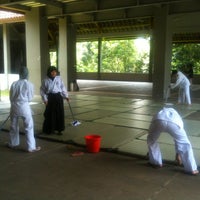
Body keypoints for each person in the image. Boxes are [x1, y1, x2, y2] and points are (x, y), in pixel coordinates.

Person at [147, 106, 199, 175]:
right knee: (184, 143)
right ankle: (192, 169)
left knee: (151, 140)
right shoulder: (177, 116)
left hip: (158, 120)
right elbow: (178, 140)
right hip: (174, 123)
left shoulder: (161, 111)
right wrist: (178, 154)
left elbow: (151, 131)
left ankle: (156, 162)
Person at [8, 67, 41, 153]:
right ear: (27, 74)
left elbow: (11, 97)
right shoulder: (29, 84)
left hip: (14, 106)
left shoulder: (14, 84)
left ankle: (13, 143)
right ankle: (31, 147)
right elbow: (30, 98)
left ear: (20, 74)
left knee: (13, 126)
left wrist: (14, 104)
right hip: (24, 107)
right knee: (29, 126)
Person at [40, 66, 69, 135]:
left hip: (58, 97)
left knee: (59, 113)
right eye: (52, 71)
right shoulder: (45, 80)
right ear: (49, 72)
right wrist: (45, 99)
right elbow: (42, 91)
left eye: (55, 71)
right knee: (49, 114)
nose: (53, 73)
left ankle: (59, 129)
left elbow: (62, 87)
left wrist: (66, 96)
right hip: (50, 98)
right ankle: (49, 129)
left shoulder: (59, 79)